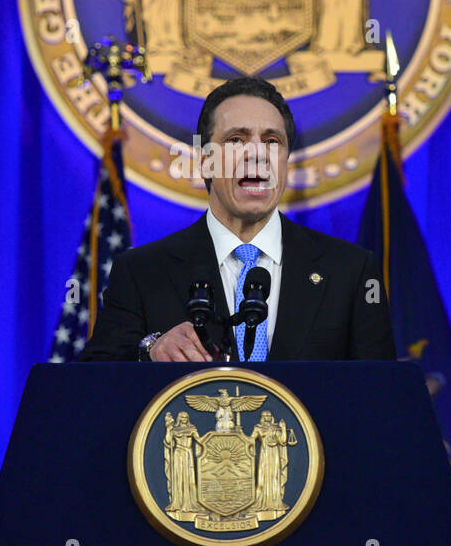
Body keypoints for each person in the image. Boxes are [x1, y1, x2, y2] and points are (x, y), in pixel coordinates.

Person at [80, 77, 395, 363]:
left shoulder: (350, 272)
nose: (257, 155)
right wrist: (150, 348)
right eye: (236, 140)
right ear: (205, 161)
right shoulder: (142, 272)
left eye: (272, 141)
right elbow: (94, 382)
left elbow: (379, 399)